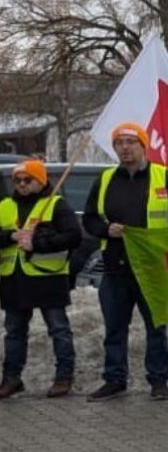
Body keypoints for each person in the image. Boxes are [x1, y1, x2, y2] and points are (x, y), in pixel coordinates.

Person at [85, 122, 168, 401]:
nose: (125, 148)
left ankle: (158, 380)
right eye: (120, 143)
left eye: (131, 142)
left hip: (152, 268)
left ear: (144, 146)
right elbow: (90, 219)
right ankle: (115, 379)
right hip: (116, 267)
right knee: (115, 329)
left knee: (156, 327)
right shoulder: (106, 179)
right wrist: (106, 230)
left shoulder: (164, 178)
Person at [1, 159, 82, 398]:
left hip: (48, 278)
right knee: (14, 331)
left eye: (28, 180)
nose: (22, 185)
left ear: (41, 180)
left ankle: (64, 377)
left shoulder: (56, 204)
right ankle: (11, 378)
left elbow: (73, 236)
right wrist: (10, 236)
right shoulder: (5, 205)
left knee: (58, 329)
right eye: (17, 181)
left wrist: (37, 243)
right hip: (14, 279)